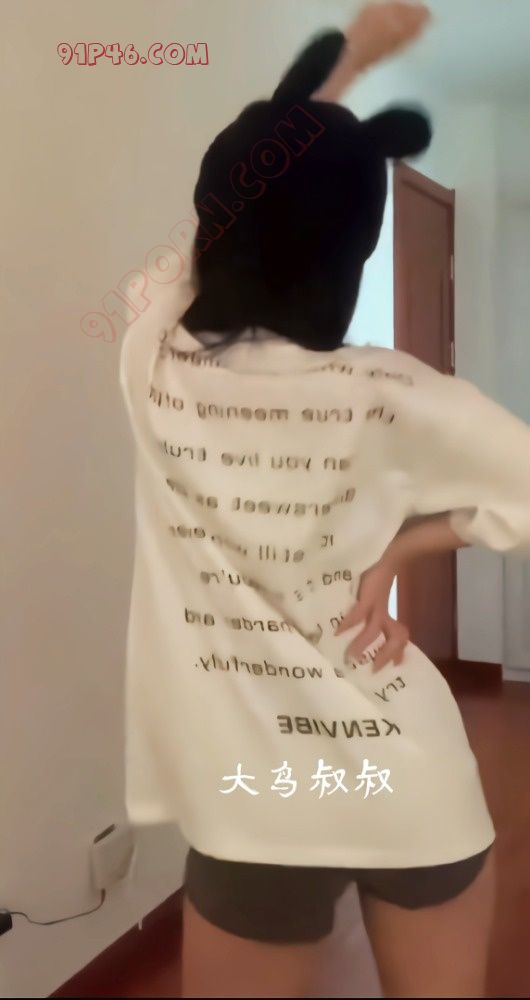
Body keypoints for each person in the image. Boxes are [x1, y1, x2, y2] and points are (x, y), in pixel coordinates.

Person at [119, 3, 530, 997]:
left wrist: (345, 64)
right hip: (407, 774)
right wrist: (405, 550)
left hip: (257, 799)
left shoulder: (155, 358)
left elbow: (234, 210)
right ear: (357, 245)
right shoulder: (393, 392)